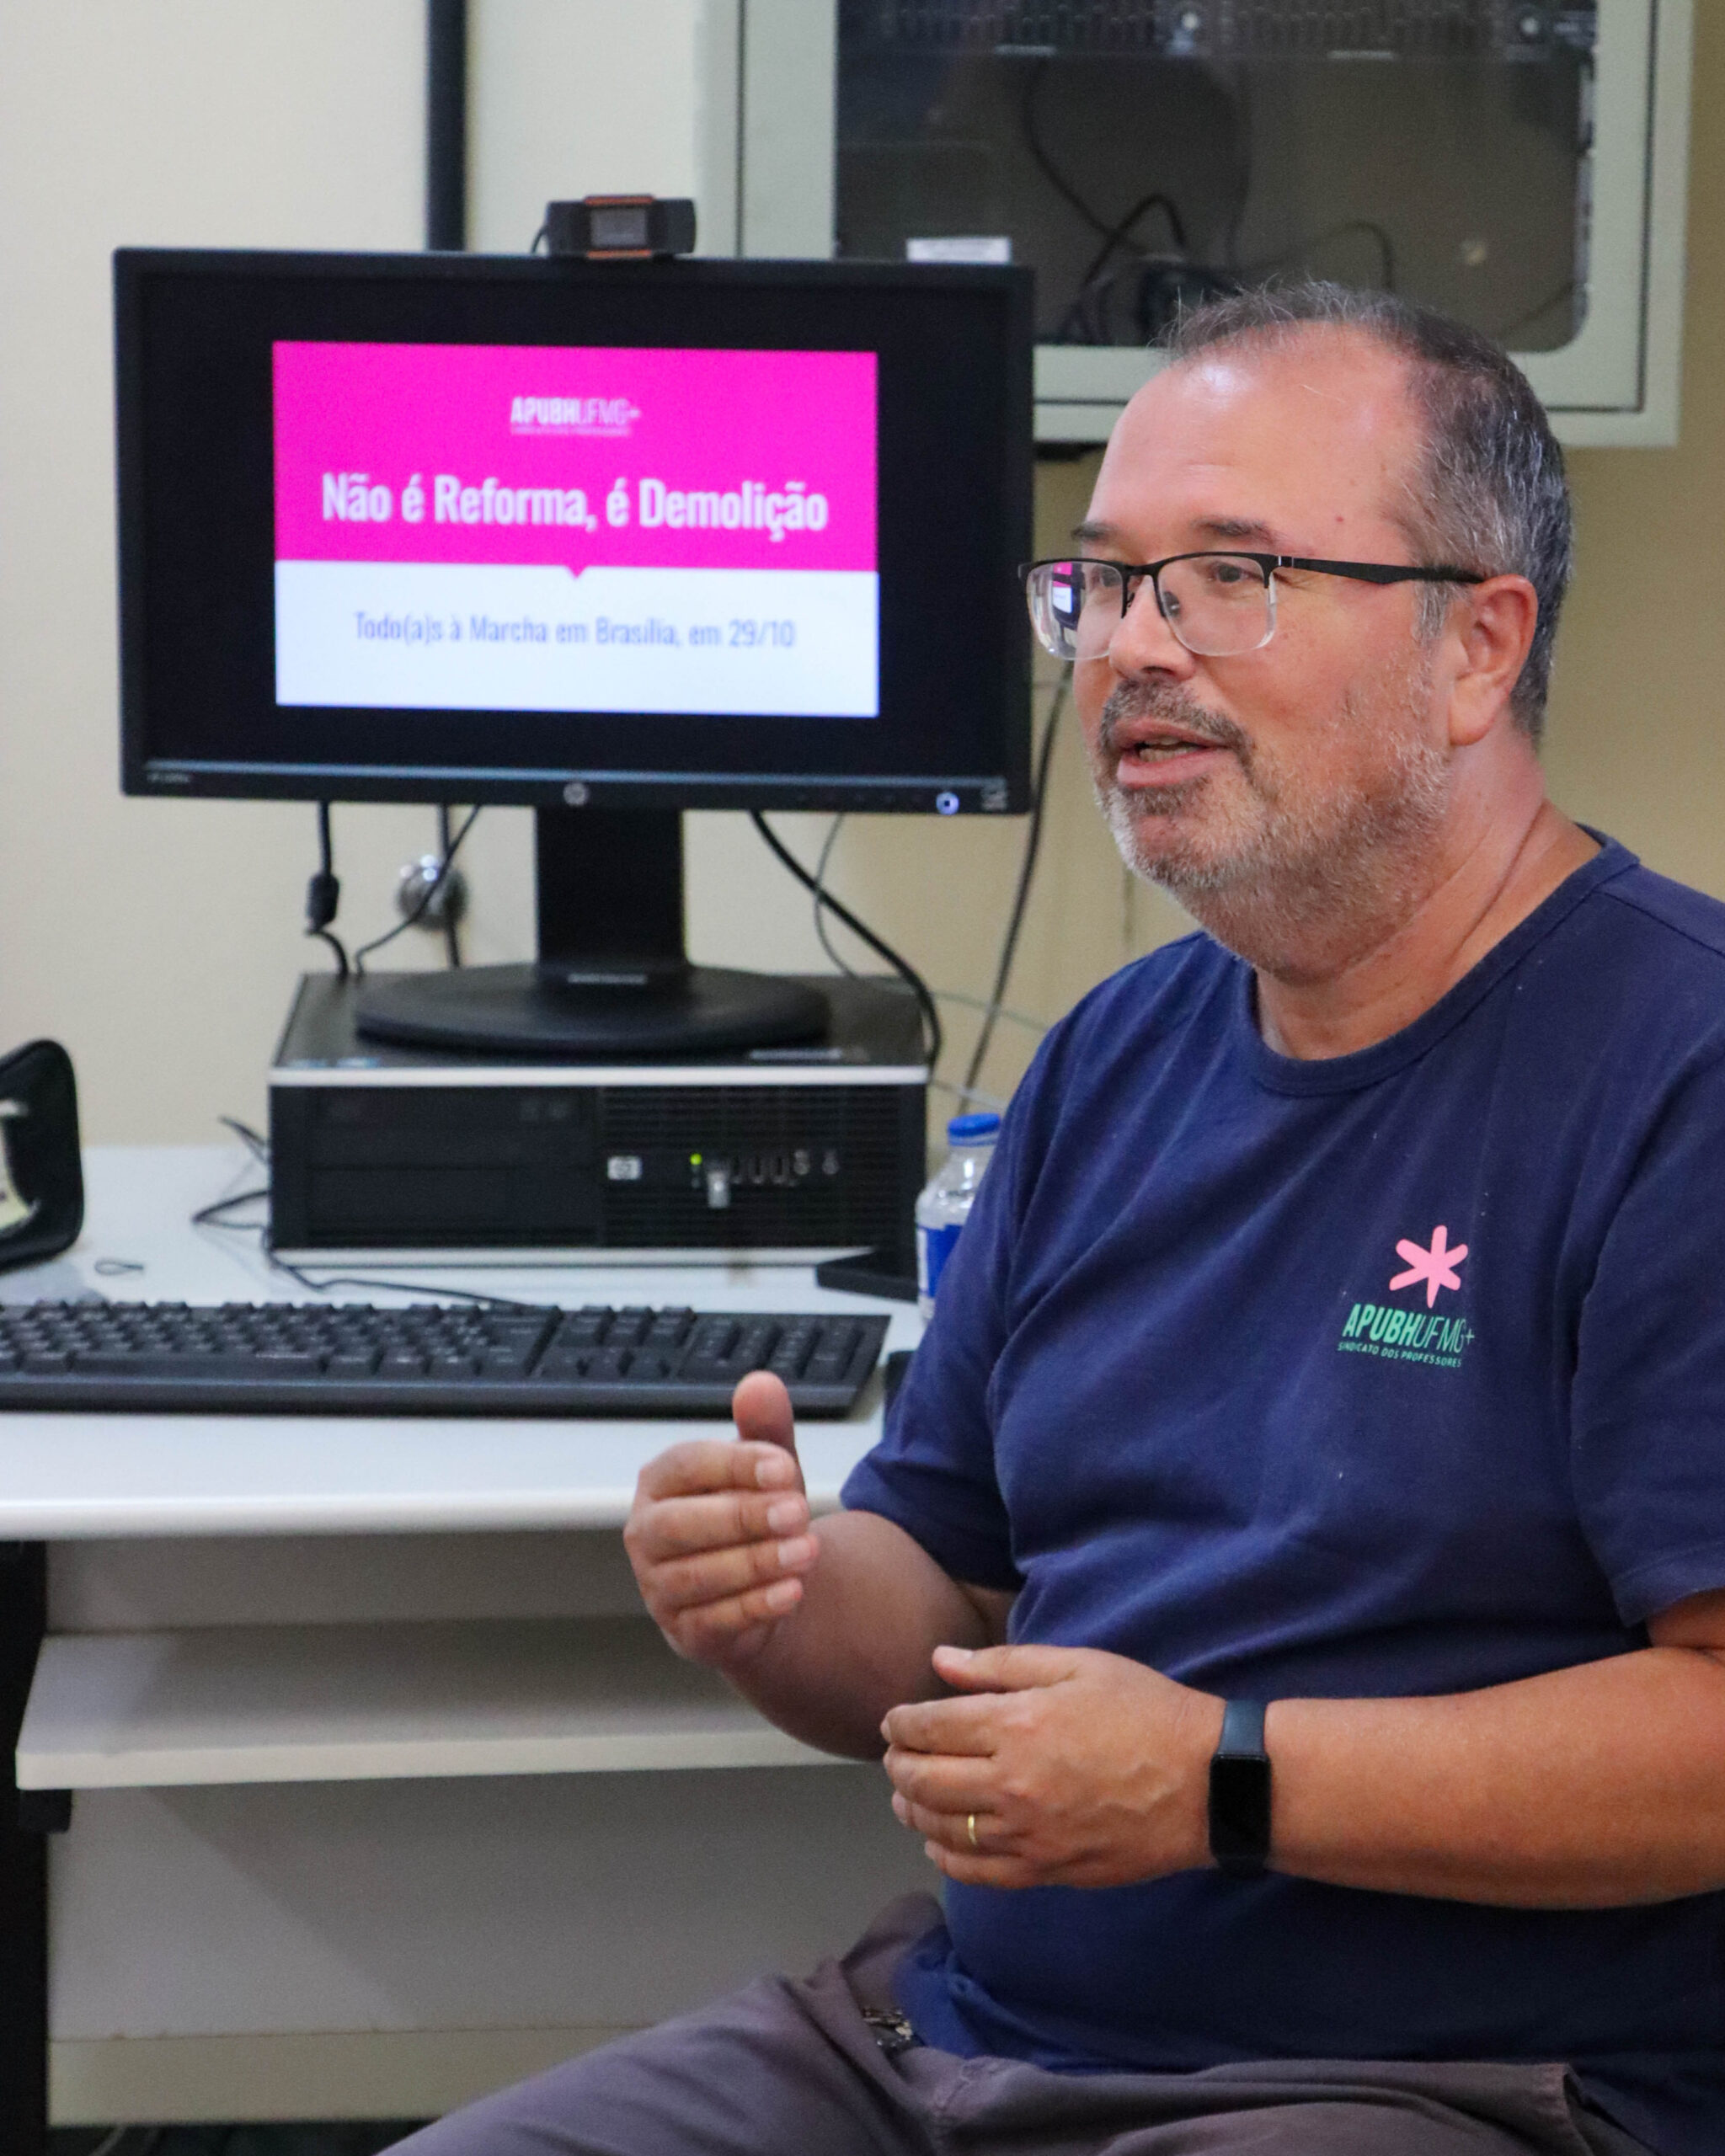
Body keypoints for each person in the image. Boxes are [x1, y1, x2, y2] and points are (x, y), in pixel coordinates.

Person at [391, 285, 1725, 2156]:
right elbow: (940, 1602)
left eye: (1230, 577)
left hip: (1437, 2087)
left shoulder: (1676, 1065)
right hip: (955, 2041)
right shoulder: (1115, 1055)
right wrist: (776, 1597)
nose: (1130, 648)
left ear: (1475, 648)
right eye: (1103, 584)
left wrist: (1216, 1781)